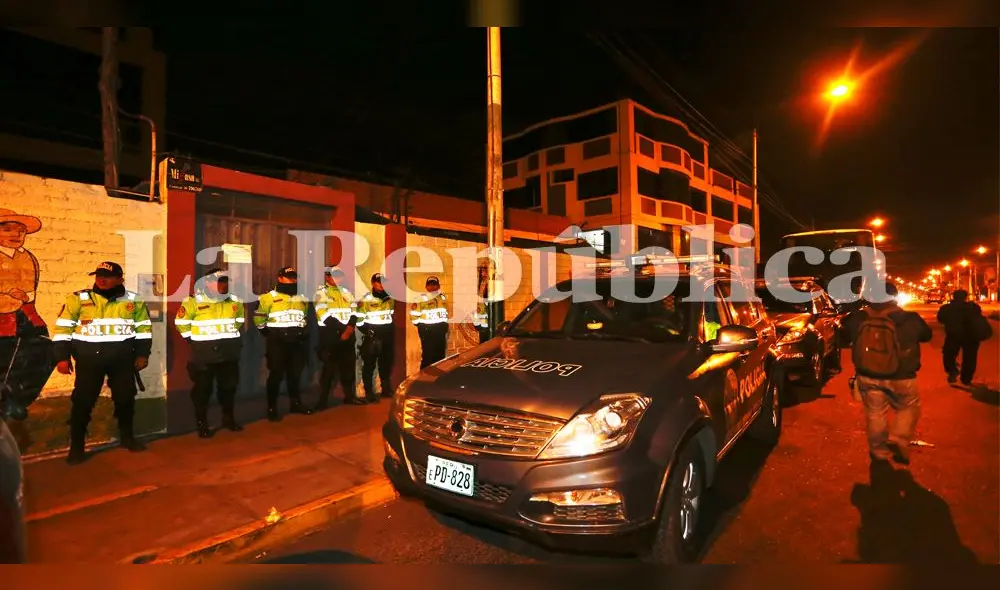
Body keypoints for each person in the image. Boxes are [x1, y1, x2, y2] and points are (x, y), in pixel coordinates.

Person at [51, 262, 153, 465]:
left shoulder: (133, 301)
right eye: (98, 275)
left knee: (125, 399)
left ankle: (127, 438)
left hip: (122, 361)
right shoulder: (78, 299)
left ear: (120, 279)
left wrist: (143, 355)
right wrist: (62, 358)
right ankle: (77, 447)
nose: (101, 279)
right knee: (83, 402)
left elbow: (144, 330)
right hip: (89, 362)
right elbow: (63, 330)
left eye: (107, 276)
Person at [843, 282, 932, 465]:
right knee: (908, 407)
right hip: (902, 375)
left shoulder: (858, 318)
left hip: (868, 374)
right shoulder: (908, 318)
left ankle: (879, 453)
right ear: (894, 297)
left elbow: (843, 337)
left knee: (875, 413)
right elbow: (926, 335)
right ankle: (899, 438)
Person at [175, 269, 245, 438]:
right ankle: (202, 423)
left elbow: (239, 321)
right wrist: (196, 342)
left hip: (228, 353)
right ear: (207, 282)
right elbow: (181, 323)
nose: (224, 284)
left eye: (226, 281)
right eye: (219, 281)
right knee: (203, 390)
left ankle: (228, 419)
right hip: (204, 355)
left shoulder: (235, 300)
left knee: (228, 388)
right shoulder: (193, 301)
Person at [254, 267, 313, 421]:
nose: (292, 280)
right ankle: (272, 407)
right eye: (288, 277)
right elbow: (259, 318)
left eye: (294, 277)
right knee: (276, 375)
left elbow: (304, 317)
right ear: (280, 278)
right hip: (278, 343)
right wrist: (269, 334)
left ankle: (295, 403)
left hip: (297, 342)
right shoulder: (267, 298)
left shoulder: (302, 297)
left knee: (295, 375)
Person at [313, 266, 364, 409]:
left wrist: (350, 328)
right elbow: (324, 315)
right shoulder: (320, 293)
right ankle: (322, 401)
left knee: (348, 369)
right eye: (334, 276)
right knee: (328, 370)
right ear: (327, 277)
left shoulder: (347, 292)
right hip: (330, 337)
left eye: (340, 276)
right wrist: (344, 329)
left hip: (347, 336)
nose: (338, 279)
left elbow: (354, 311)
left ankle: (349, 397)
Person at [937, 289, 991, 385]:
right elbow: (978, 317)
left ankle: (952, 371)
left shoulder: (946, 308)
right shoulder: (973, 307)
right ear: (965, 297)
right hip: (971, 336)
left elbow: (940, 319)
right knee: (970, 358)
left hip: (953, 335)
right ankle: (966, 378)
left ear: (954, 297)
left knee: (949, 355)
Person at [356, 273, 396, 403]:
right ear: (373, 283)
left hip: (387, 335)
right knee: (369, 365)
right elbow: (359, 321)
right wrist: (369, 332)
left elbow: (390, 315)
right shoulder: (366, 299)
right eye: (378, 282)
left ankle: (386, 390)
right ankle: (369, 392)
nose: (381, 285)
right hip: (372, 336)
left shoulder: (390, 298)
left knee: (386, 363)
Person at [411, 275, 450, 369]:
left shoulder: (443, 298)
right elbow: (414, 315)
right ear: (426, 287)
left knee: (440, 354)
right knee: (428, 354)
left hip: (440, 329)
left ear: (438, 286)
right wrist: (421, 326)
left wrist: (444, 326)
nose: (432, 287)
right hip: (427, 329)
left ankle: (439, 376)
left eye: (434, 284)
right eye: (430, 285)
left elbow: (445, 313)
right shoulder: (420, 299)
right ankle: (425, 376)